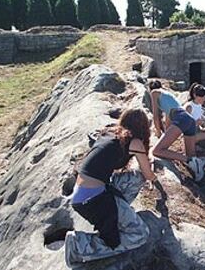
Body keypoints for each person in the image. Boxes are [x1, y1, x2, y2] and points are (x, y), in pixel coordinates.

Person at [65, 109, 156, 267]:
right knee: (139, 234)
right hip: (93, 200)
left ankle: (120, 215)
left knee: (136, 177)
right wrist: (151, 168)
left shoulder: (112, 132)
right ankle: (79, 245)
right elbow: (148, 175)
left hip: (85, 190)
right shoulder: (135, 142)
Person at [148, 80, 205, 181]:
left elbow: (156, 115)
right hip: (189, 120)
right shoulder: (167, 95)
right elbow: (168, 118)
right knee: (190, 154)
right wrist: (165, 134)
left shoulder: (154, 92)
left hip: (181, 118)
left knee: (157, 151)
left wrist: (158, 133)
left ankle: (191, 160)